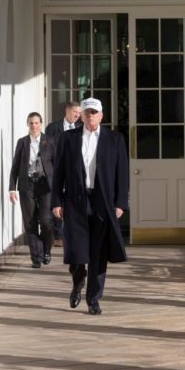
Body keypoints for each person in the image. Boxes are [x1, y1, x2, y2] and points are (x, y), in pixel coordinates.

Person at [51, 97, 129, 315]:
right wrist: (56, 200)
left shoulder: (114, 139)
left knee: (98, 253)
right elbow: (59, 172)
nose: (90, 116)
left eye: (94, 112)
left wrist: (121, 203)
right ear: (81, 116)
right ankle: (78, 280)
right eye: (87, 112)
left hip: (102, 203)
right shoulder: (68, 139)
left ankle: (93, 300)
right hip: (75, 201)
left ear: (102, 115)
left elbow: (122, 174)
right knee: (75, 250)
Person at [9, 112, 56, 268]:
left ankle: (46, 249)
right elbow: (15, 166)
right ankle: (36, 257)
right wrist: (11, 188)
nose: (34, 126)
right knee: (30, 222)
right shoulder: (22, 142)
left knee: (46, 221)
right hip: (27, 185)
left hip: (45, 185)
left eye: (36, 123)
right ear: (27, 125)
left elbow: (57, 164)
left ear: (41, 124)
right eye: (31, 123)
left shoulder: (49, 141)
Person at [45, 101, 82, 247]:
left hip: (75, 171)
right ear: (67, 111)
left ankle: (75, 233)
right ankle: (58, 235)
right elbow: (46, 150)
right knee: (57, 201)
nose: (78, 115)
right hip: (56, 169)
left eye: (79, 113)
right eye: (75, 112)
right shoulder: (53, 128)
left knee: (74, 201)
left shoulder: (81, 127)